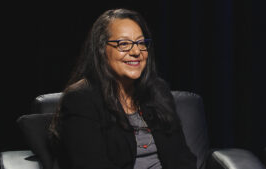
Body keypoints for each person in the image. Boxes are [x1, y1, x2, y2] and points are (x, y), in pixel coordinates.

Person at [50, 8, 197, 169]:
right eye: (124, 44)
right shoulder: (81, 99)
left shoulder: (157, 91)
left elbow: (183, 159)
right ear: (101, 50)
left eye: (141, 43)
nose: (136, 52)